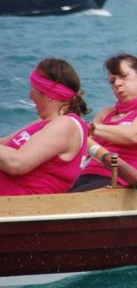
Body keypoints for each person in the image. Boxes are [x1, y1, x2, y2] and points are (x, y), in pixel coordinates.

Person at [69, 54, 137, 192]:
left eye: (124, 76)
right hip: (87, 176)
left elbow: (133, 135)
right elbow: (79, 150)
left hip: (125, 181)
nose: (117, 84)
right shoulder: (106, 113)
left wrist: (87, 127)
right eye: (112, 81)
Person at [0, 58, 90, 195]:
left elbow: (16, 163)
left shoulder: (66, 124)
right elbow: (3, 144)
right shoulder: (46, 122)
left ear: (49, 94)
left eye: (33, 89)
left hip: (19, 206)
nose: (30, 96)